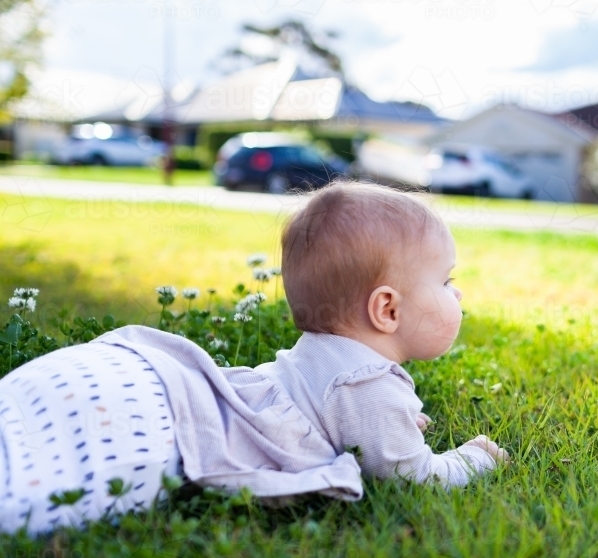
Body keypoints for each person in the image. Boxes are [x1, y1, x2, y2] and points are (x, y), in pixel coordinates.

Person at [0, 181, 507, 534]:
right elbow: (415, 478)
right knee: (50, 479)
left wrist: (389, 422)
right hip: (154, 420)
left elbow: (346, 415)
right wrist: (474, 458)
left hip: (145, 377)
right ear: (386, 309)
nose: (456, 296)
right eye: (446, 282)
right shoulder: (367, 385)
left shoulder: (333, 359)